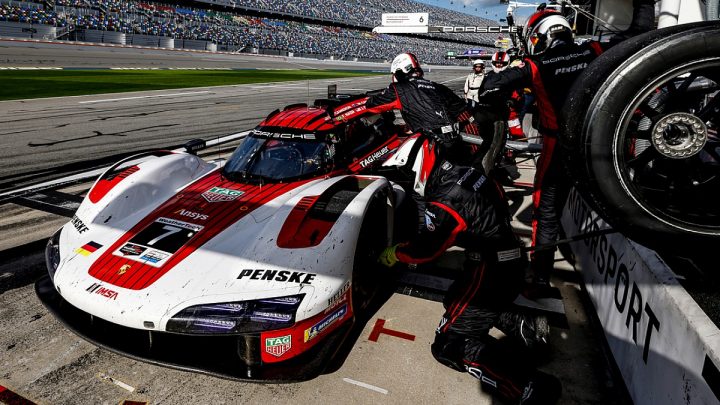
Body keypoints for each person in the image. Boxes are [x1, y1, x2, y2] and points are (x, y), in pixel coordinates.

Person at [481, 1, 655, 290]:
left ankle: (538, 277)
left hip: (558, 149)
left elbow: (489, 87)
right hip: (600, 148)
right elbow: (639, 35)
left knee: (545, 212)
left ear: (538, 37)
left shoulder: (535, 65)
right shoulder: (594, 50)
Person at [378, 131, 559, 404]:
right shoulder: (465, 171)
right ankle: (527, 328)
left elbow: (426, 250)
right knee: (455, 299)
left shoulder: (446, 199)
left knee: (449, 343)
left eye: (405, 173)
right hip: (509, 261)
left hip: (489, 268)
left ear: (418, 166)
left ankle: (527, 387)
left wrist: (396, 253)